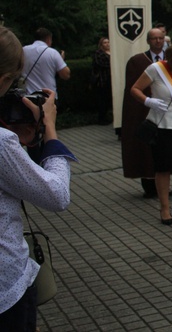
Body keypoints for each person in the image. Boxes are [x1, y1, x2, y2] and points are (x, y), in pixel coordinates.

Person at [0, 26, 75, 330]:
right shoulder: (3, 143)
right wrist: (51, 128)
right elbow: (56, 195)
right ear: (5, 79)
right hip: (6, 289)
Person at [130, 41, 172, 225]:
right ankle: (165, 208)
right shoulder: (156, 69)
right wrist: (148, 101)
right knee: (163, 168)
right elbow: (135, 89)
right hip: (162, 126)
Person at [121, 28, 166, 199]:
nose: (158, 41)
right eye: (154, 38)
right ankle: (149, 183)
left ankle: (164, 183)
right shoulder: (137, 61)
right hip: (147, 110)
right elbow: (132, 91)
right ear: (148, 41)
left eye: (161, 38)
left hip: (168, 112)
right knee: (146, 149)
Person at [21, 27, 70, 97]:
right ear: (48, 39)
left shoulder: (23, 50)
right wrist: (61, 60)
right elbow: (66, 75)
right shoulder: (52, 53)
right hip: (48, 97)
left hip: (27, 97)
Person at [91, 37, 112, 125]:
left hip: (111, 79)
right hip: (103, 79)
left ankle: (108, 116)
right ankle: (101, 118)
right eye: (105, 42)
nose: (107, 44)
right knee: (102, 99)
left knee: (108, 99)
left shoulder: (113, 52)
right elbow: (100, 64)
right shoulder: (98, 53)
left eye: (108, 42)